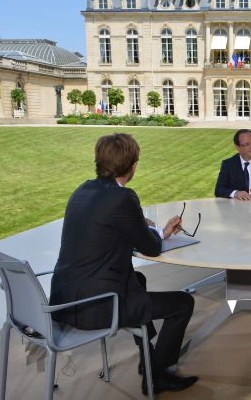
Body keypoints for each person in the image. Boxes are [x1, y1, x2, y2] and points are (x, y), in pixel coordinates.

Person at [49, 133, 198, 395]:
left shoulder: (82, 190)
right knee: (183, 304)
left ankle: (147, 359)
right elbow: (150, 248)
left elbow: (104, 232)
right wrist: (158, 232)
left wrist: (148, 228)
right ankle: (158, 374)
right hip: (96, 305)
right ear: (133, 165)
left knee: (137, 282)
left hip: (65, 298)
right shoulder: (123, 198)